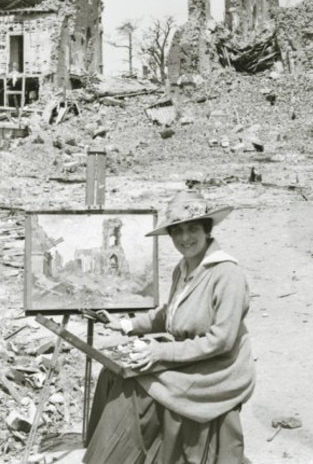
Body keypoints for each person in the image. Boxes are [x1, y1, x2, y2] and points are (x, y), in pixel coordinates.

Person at [83, 190, 256, 464]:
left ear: (207, 230)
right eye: (177, 231)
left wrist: (160, 353)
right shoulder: (184, 268)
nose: (185, 238)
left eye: (193, 229)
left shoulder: (226, 274)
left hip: (218, 368)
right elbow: (171, 314)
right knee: (112, 374)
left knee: (134, 387)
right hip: (191, 356)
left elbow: (222, 340)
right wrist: (125, 324)